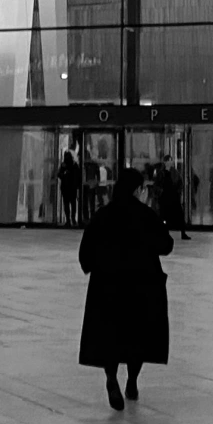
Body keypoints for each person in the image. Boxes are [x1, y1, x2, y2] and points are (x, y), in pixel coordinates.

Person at [78, 165, 173, 410]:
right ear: (138, 189)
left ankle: (111, 378)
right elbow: (166, 245)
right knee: (137, 336)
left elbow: (85, 253)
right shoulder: (146, 215)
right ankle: (132, 381)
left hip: (107, 285)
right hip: (142, 285)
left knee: (110, 335)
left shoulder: (103, 215)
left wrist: (95, 266)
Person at [154, 156, 190, 241]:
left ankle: (183, 233)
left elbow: (180, 182)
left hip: (174, 195)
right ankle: (165, 233)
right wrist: (160, 192)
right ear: (165, 162)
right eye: (168, 161)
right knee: (164, 215)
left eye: (171, 161)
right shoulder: (161, 172)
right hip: (165, 196)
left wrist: (178, 192)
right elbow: (157, 184)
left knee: (179, 214)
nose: (170, 162)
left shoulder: (174, 172)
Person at [59, 150, 81, 226]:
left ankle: (70, 220)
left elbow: (59, 174)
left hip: (67, 187)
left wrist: (64, 175)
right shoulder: (74, 165)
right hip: (71, 188)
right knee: (72, 204)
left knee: (68, 204)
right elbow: (59, 174)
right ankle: (71, 219)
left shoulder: (66, 165)